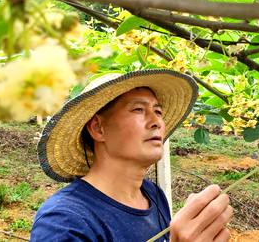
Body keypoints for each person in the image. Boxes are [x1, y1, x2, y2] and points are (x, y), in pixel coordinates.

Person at [30, 69, 233, 241]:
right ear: (98, 128)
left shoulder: (152, 194)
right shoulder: (64, 221)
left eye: (158, 111)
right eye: (138, 109)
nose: (157, 122)